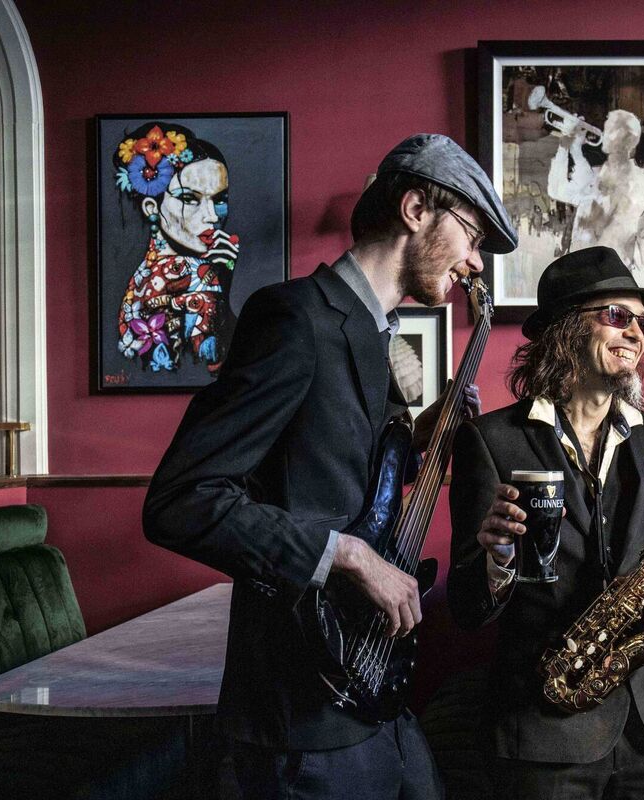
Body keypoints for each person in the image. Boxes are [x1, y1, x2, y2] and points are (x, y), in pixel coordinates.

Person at [142, 133, 517, 800]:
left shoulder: (376, 336)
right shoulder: (293, 319)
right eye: (472, 234)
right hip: (298, 711)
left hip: (372, 688)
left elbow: (334, 481)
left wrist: (423, 436)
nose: (475, 262)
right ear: (414, 210)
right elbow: (183, 499)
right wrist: (345, 555)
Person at [448, 246, 644, 799]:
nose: (636, 333)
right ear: (563, 330)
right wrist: (496, 561)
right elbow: (466, 607)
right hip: (544, 732)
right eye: (616, 315)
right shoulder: (491, 440)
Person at [112, 121, 240, 374]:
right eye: (189, 199)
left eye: (219, 200)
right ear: (152, 208)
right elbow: (217, 367)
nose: (212, 216)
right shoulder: (197, 276)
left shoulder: (142, 277)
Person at [546, 109, 644, 267]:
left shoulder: (643, 178)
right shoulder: (595, 174)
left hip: (612, 267)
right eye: (606, 129)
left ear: (629, 138)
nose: (605, 134)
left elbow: (619, 220)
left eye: (611, 129)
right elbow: (556, 190)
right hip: (584, 266)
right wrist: (566, 146)